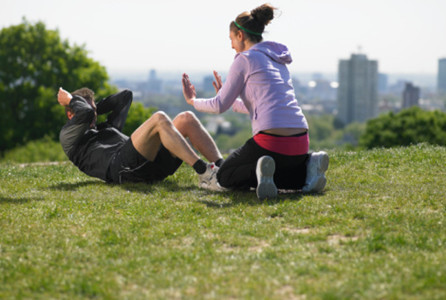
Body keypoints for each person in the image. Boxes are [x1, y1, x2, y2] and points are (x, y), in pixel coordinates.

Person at [182, 3, 329, 200]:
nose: (231, 45)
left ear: (240, 36)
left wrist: (192, 100)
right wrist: (230, 99)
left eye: (231, 39)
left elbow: (218, 106)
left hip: (271, 141)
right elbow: (263, 106)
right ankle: (308, 167)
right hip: (301, 139)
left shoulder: (244, 59)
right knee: (280, 166)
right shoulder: (278, 59)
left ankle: (266, 175)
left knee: (224, 175)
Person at [57, 87, 224, 190]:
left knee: (185, 118)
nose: (93, 114)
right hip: (122, 169)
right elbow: (85, 113)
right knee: (159, 118)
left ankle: (225, 171)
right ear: (70, 114)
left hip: (146, 163)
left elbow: (125, 97)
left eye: (94, 111)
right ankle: (205, 173)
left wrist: (94, 108)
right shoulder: (69, 136)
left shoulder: (106, 127)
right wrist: (72, 101)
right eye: (89, 110)